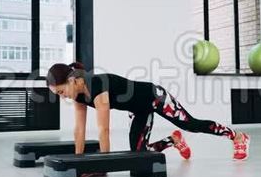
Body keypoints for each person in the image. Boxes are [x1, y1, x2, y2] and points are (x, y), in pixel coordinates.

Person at [46, 62, 250, 161]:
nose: (62, 97)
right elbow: (79, 130)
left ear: (72, 81)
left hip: (154, 96)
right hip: (137, 110)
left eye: (62, 91)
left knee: (190, 124)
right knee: (139, 156)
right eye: (58, 94)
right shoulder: (78, 96)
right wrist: (78, 162)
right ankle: (173, 140)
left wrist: (103, 165)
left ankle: (237, 136)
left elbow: (103, 131)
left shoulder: (98, 86)